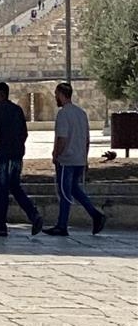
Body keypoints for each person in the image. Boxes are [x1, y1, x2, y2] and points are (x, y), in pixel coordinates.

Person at [44, 83, 106, 236]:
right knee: (74, 190)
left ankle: (62, 225)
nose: (55, 98)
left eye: (56, 94)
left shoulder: (63, 114)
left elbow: (62, 138)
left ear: (61, 94)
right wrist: (85, 158)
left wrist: (56, 154)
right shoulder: (81, 113)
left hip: (67, 160)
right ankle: (95, 215)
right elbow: (86, 138)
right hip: (79, 159)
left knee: (65, 192)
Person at [0, 82, 43, 237]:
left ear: (0, 94)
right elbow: (24, 133)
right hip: (17, 154)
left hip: (4, 154)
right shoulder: (18, 110)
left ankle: (0, 226)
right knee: (15, 186)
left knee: (2, 189)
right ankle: (33, 214)